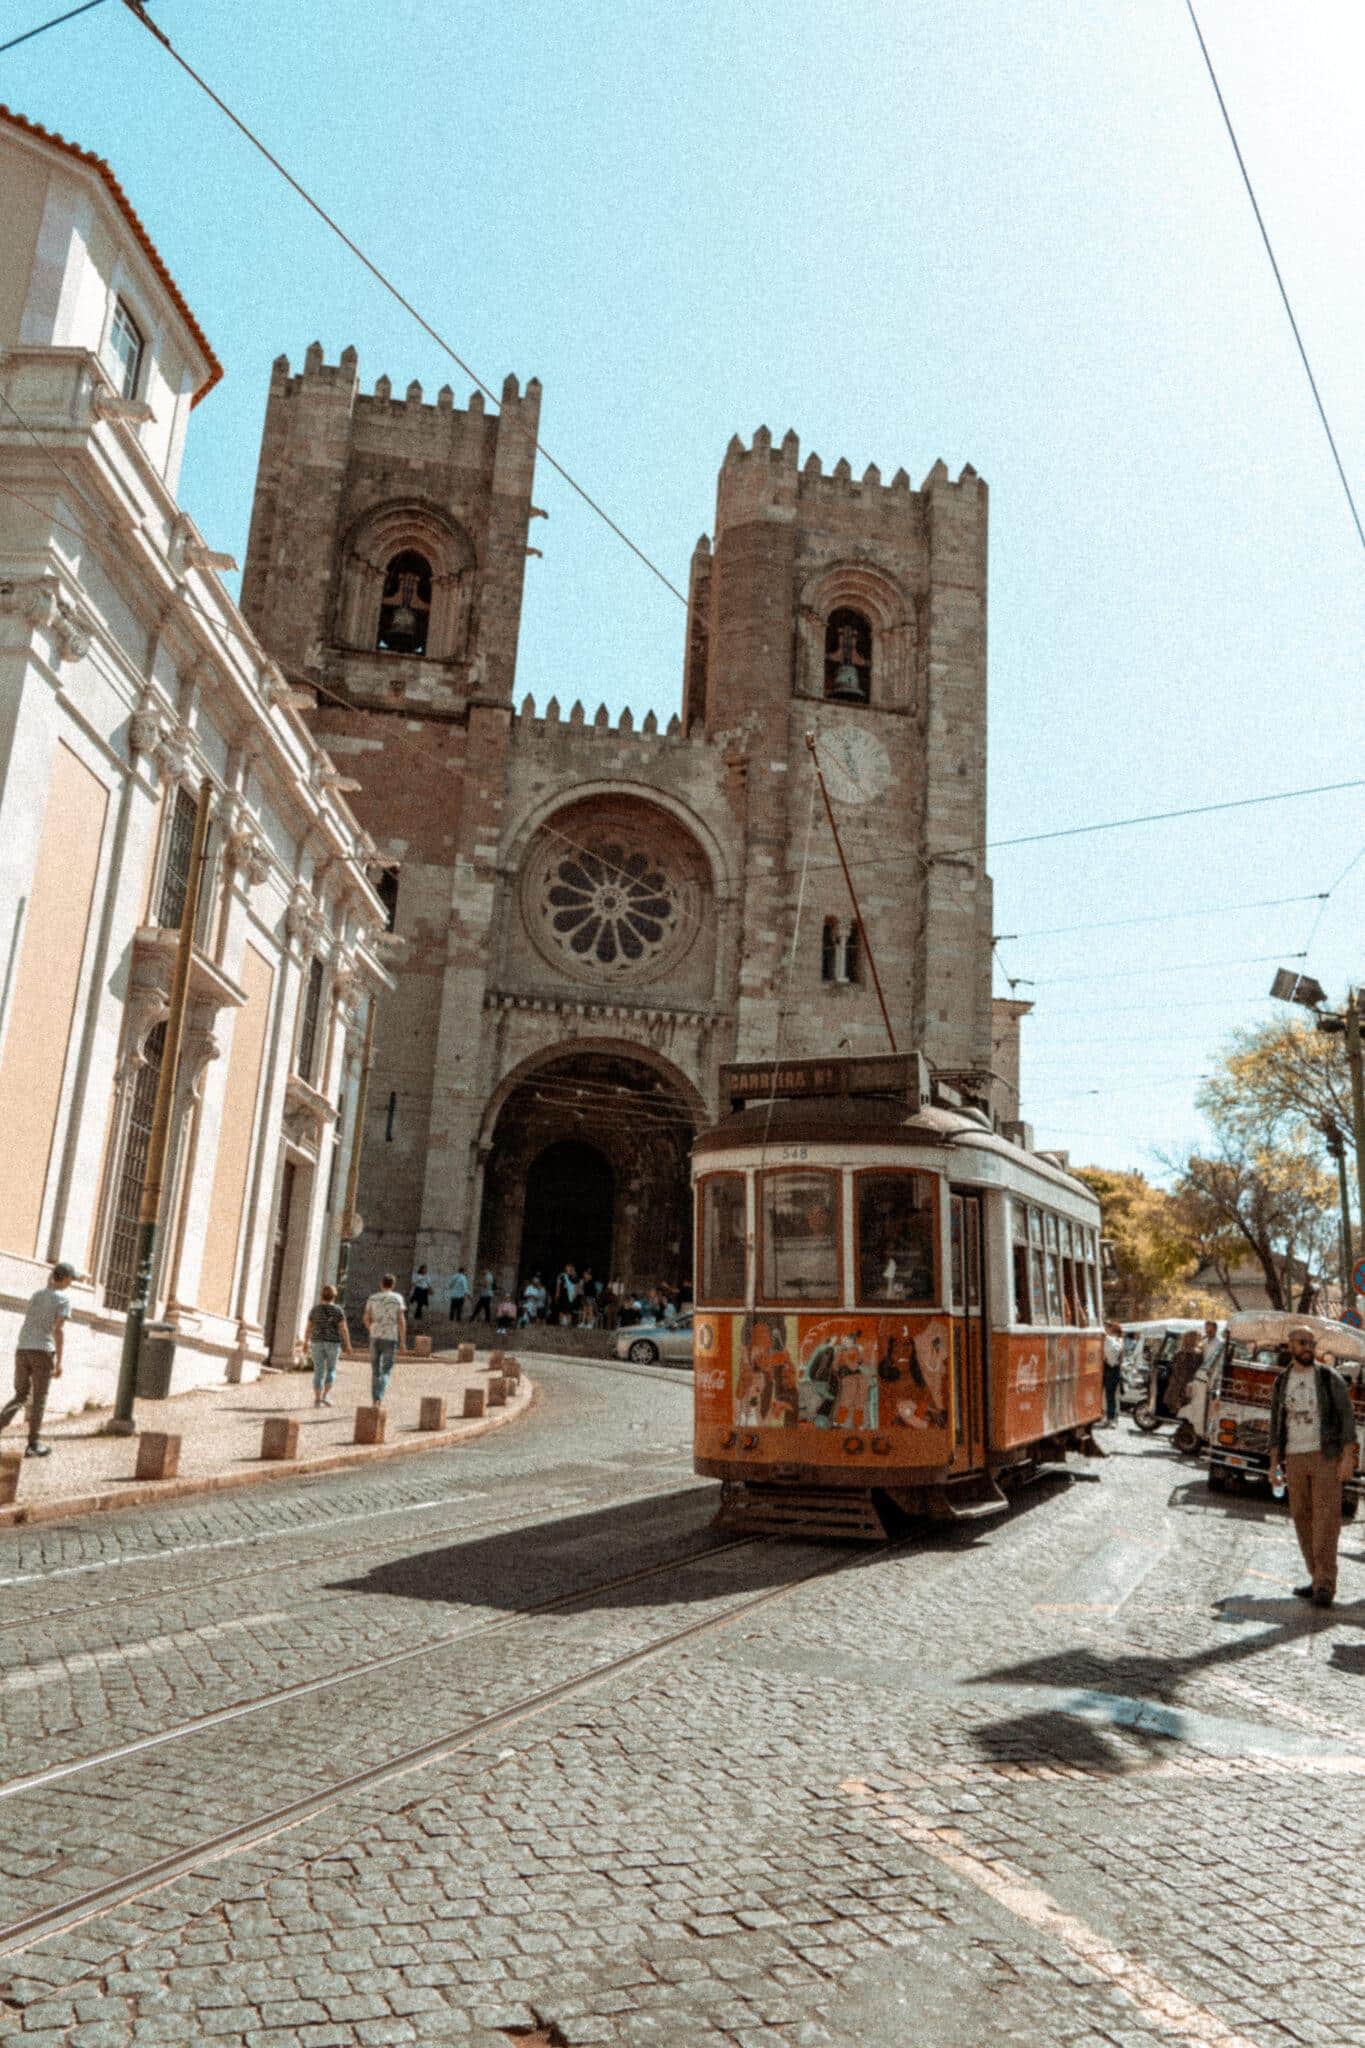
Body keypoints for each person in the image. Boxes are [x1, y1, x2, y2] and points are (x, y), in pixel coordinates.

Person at [1267, 1324, 1357, 1608]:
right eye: (1302, 1342)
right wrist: (1274, 1464)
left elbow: (1347, 1418)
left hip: (1324, 1456)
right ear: (1290, 1346)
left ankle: (1325, 1585)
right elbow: (1275, 1424)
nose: (1308, 1347)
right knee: (1300, 1517)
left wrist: (1347, 1458)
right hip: (1294, 1457)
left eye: (1311, 1343)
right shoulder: (1282, 1382)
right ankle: (1315, 1575)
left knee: (1326, 1520)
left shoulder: (1329, 1378)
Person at [0, 1261, 75, 1457]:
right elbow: (58, 1330)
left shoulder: (36, 1295)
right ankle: (33, 1444)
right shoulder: (63, 1299)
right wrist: (59, 1362)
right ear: (65, 1278)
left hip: (23, 1348)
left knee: (21, 1395)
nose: (71, 1283)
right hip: (43, 1351)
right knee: (39, 1398)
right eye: (71, 1279)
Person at [362, 1273, 407, 1406]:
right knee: (386, 1370)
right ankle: (379, 1397)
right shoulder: (397, 1298)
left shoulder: (373, 1298)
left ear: (381, 1284)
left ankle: (375, 1398)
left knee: (375, 1370)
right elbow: (401, 1320)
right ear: (393, 1285)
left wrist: (371, 1328)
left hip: (375, 1335)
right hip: (390, 1336)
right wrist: (403, 1341)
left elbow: (366, 1318)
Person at [305, 1283, 351, 1407]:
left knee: (318, 1371)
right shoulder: (338, 1310)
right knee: (331, 1369)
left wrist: (305, 1342)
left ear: (321, 1295)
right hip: (333, 1343)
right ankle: (325, 1395)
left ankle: (317, 1399)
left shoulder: (315, 1310)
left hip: (317, 1342)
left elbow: (309, 1327)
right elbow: (343, 1329)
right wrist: (348, 1345)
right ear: (334, 1296)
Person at [1101, 1321, 1123, 1426]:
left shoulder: (1109, 1340)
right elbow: (1121, 1359)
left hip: (1108, 1369)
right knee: (1112, 1396)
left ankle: (1110, 1418)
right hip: (1115, 1369)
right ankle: (1111, 1418)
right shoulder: (1119, 1341)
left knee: (1109, 1396)